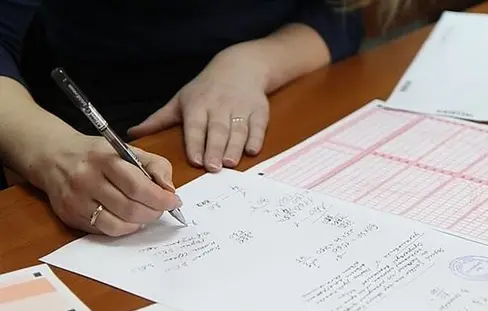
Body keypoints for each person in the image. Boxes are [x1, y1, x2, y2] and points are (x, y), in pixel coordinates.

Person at [0, 0, 405, 236]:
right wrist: (52, 154)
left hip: (278, 109)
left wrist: (257, 61)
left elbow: (341, 12)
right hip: (96, 139)